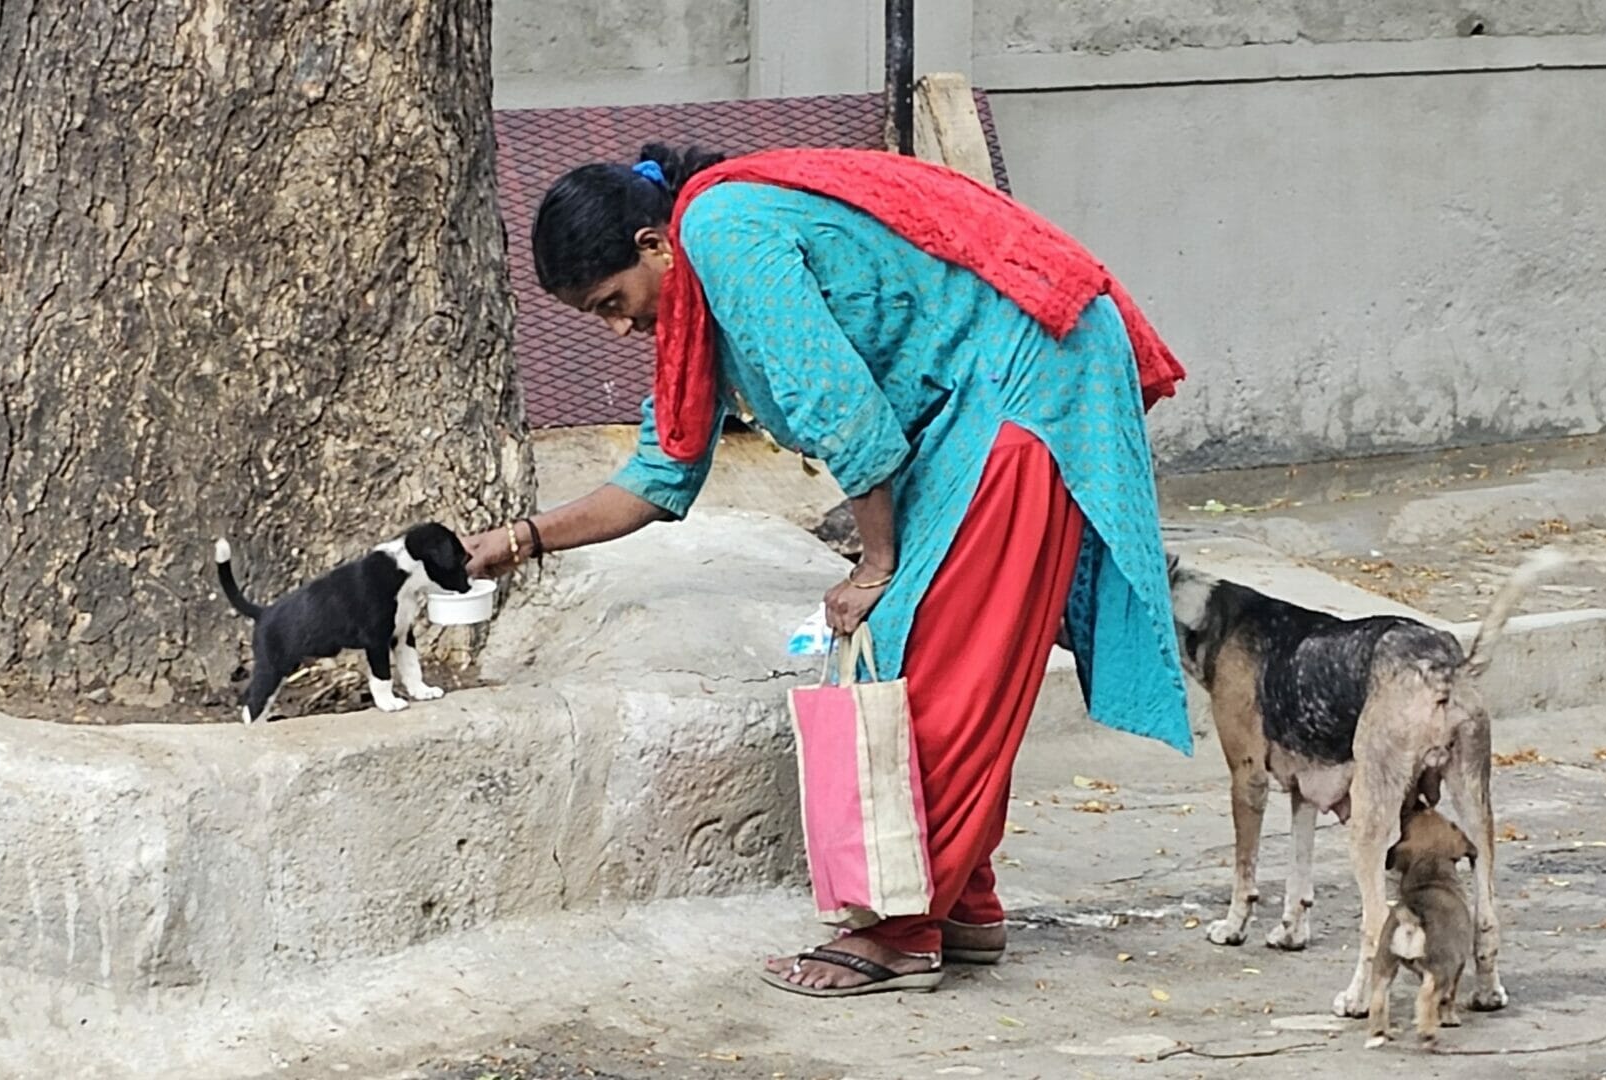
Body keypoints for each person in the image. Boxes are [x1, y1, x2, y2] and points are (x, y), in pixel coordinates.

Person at [461, 142, 1193, 997]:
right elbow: (659, 475)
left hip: (1029, 385)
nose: (620, 329)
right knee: (915, 653)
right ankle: (965, 907)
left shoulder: (723, 232)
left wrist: (874, 566)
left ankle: (898, 933)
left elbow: (839, 407)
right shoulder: (698, 289)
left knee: (935, 659)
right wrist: (518, 540)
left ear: (654, 245)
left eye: (613, 304)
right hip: (980, 401)